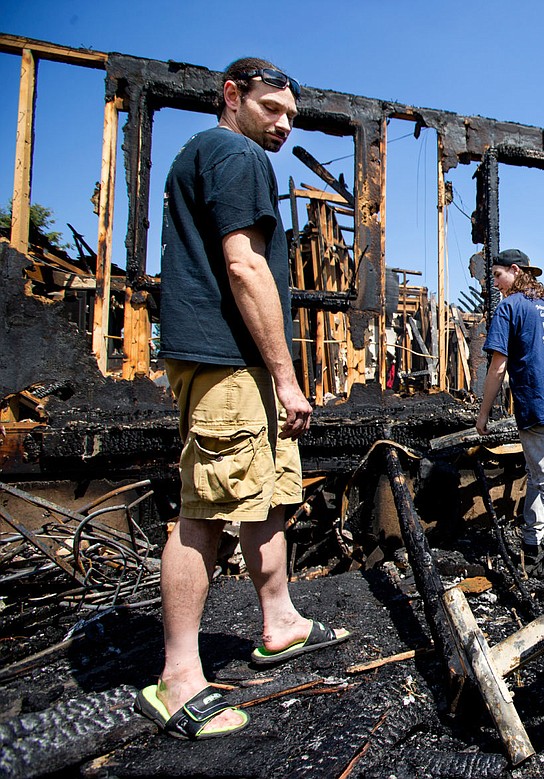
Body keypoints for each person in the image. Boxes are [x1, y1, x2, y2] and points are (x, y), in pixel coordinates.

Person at [136, 58, 349, 740]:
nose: (283, 124)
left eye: (291, 115)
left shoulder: (210, 155)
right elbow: (244, 264)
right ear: (232, 97)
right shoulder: (234, 153)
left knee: (266, 492)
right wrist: (287, 376)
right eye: (271, 109)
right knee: (206, 511)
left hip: (240, 365)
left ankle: (280, 620)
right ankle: (178, 677)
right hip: (229, 363)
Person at [475, 249, 544, 578]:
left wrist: (483, 414)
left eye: (497, 275)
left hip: (538, 404)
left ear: (515, 270)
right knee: (536, 473)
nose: (494, 283)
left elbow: (498, 366)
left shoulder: (511, 306)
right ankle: (531, 540)